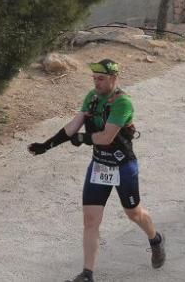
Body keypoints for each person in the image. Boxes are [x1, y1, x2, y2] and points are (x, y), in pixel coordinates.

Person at [27, 59, 165, 282]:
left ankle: (155, 239)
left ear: (113, 79)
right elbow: (73, 125)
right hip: (100, 166)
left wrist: (83, 138)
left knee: (134, 214)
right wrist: (46, 145)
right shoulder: (91, 97)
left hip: (123, 166)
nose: (96, 83)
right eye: (94, 78)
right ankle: (87, 274)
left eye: (101, 79)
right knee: (90, 221)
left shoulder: (122, 103)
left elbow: (106, 137)